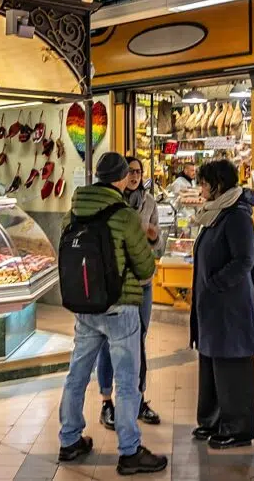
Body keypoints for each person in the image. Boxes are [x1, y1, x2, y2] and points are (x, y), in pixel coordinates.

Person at [57, 152, 168, 476]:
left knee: (77, 376)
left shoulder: (74, 211)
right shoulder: (124, 214)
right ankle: (130, 451)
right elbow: (146, 265)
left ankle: (69, 440)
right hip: (120, 309)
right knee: (127, 380)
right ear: (120, 178)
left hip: (85, 308)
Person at [189, 159, 254, 450]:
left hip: (229, 304)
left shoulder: (237, 215)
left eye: (204, 183)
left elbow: (245, 259)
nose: (201, 188)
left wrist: (216, 282)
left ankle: (238, 427)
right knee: (212, 361)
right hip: (213, 305)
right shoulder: (214, 213)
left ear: (218, 184)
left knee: (232, 365)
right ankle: (214, 419)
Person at [97, 157, 161, 430]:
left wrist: (153, 237)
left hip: (143, 283)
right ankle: (106, 402)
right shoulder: (112, 203)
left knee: (139, 344)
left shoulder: (149, 203)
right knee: (107, 344)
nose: (134, 176)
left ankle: (138, 398)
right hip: (117, 286)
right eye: (129, 172)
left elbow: (158, 248)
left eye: (138, 172)